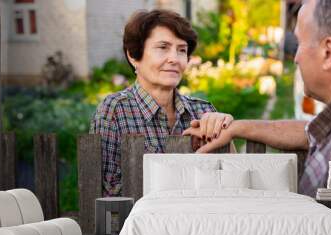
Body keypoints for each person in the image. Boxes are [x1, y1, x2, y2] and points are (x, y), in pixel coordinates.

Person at [183, 0, 331, 234]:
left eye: (299, 43)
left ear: (328, 52)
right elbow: (316, 130)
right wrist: (237, 128)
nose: (295, 57)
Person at [90, 9, 232, 197]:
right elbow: (110, 193)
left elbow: (230, 182)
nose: (174, 58)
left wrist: (227, 130)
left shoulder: (203, 111)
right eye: (163, 47)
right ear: (134, 56)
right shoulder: (114, 112)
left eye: (181, 50)